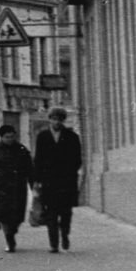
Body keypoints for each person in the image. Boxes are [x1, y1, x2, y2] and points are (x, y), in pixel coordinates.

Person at [34, 107, 83, 253]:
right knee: (51, 214)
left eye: (59, 119)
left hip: (66, 182)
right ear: (49, 119)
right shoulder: (42, 136)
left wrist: (69, 171)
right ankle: (54, 243)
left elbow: (77, 159)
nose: (56, 122)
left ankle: (65, 235)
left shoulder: (72, 136)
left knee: (66, 212)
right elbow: (38, 160)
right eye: (53, 119)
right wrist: (37, 180)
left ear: (63, 120)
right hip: (48, 182)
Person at [0, 125, 34, 253]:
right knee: (4, 215)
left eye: (12, 136)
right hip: (1, 188)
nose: (10, 139)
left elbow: (30, 169)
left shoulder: (22, 149)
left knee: (18, 216)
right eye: (7, 137)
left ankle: (13, 230)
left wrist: (33, 185)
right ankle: (10, 240)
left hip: (19, 187)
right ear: (1, 137)